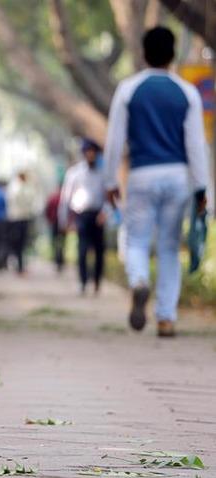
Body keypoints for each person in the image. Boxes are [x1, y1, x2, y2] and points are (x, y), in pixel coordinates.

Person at [104, 26, 210, 337]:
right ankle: (166, 317)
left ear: (143, 53)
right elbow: (196, 145)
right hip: (177, 176)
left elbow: (114, 141)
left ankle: (138, 281)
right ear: (173, 54)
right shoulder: (187, 92)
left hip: (141, 175)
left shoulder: (128, 89)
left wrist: (111, 181)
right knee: (168, 247)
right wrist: (202, 188)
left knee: (136, 240)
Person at [59, 139, 107, 295]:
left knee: (99, 251)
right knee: (82, 249)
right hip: (82, 215)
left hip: (98, 215)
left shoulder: (103, 173)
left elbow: (109, 196)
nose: (91, 155)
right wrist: (64, 220)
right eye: (88, 152)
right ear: (84, 153)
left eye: (94, 152)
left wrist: (105, 212)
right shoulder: (74, 173)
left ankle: (97, 281)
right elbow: (66, 198)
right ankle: (83, 281)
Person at [6, 171, 38, 275]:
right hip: (18, 219)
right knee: (19, 243)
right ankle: (19, 266)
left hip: (21, 218)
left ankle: (20, 266)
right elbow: (27, 200)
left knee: (22, 244)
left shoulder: (17, 187)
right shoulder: (17, 188)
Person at [44, 182, 65, 273]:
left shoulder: (53, 197)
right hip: (62, 223)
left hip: (54, 222)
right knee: (62, 242)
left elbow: (47, 210)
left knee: (56, 241)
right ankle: (60, 259)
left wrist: (49, 220)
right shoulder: (65, 198)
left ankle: (57, 259)